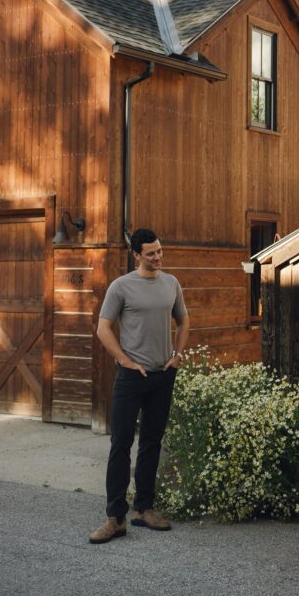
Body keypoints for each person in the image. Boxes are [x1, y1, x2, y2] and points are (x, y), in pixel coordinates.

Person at [89, 228, 189, 544]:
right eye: (151, 253)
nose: (158, 257)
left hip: (162, 375)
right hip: (132, 377)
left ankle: (143, 508)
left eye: (160, 251)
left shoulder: (171, 283)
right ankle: (115, 517)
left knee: (151, 442)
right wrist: (123, 360)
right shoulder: (121, 287)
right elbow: (103, 329)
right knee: (120, 445)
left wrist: (178, 355)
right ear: (136, 255)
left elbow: (184, 320)